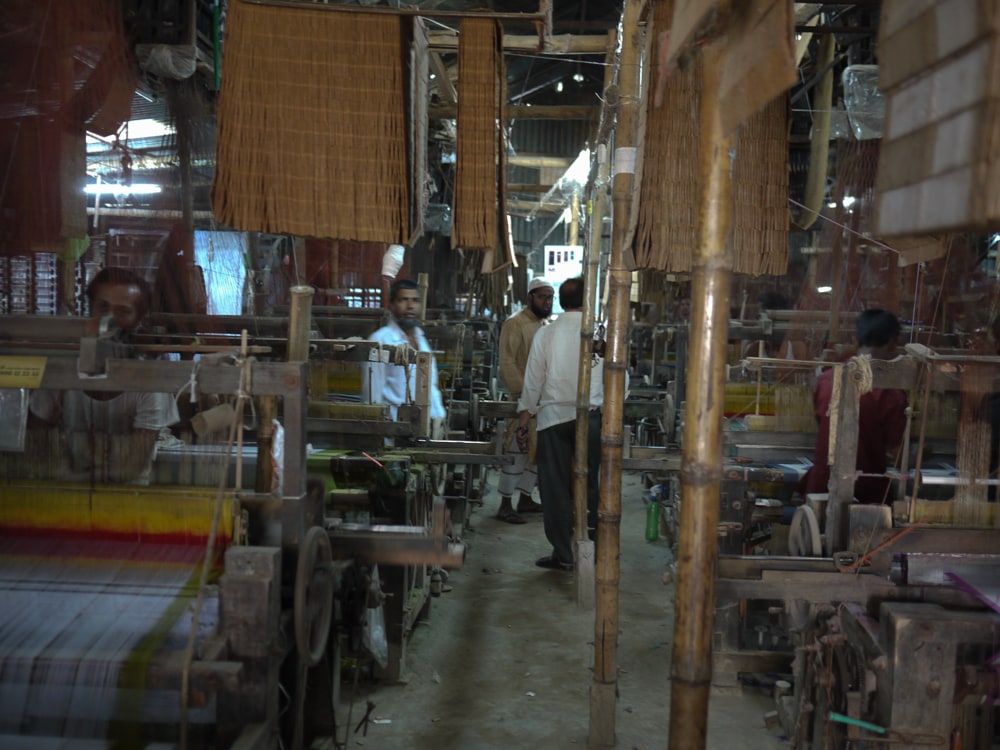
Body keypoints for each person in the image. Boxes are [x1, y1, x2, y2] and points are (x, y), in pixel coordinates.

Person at [29, 267, 180, 485]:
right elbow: (35, 440)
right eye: (103, 307)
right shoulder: (63, 371)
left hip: (128, 501)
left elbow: (132, 468)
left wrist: (67, 479)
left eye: (123, 311)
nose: (108, 321)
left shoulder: (148, 381)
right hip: (63, 497)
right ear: (89, 310)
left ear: (139, 320)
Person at [515, 277, 604, 571]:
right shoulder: (598, 335)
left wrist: (524, 416)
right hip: (591, 417)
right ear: (587, 301)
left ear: (561, 302)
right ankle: (593, 547)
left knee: (554, 487)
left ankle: (564, 553)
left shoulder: (547, 334)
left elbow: (533, 380)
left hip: (553, 419)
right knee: (589, 482)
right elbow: (622, 382)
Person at [798, 308, 907, 504]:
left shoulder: (826, 380)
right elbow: (901, 457)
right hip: (865, 496)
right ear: (893, 342)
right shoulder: (888, 391)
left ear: (856, 339)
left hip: (821, 488)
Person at [494, 277, 554, 524]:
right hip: (523, 401)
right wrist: (523, 397)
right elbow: (507, 361)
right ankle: (505, 504)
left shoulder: (547, 324)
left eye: (550, 297)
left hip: (544, 402)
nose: (547, 302)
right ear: (530, 296)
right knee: (517, 451)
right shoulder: (515, 323)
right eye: (542, 297)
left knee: (537, 453)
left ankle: (526, 498)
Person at [362, 278, 446, 430]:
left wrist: (440, 418)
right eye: (403, 300)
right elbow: (372, 395)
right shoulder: (381, 341)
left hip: (427, 430)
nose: (410, 306)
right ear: (392, 305)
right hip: (395, 432)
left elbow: (431, 388)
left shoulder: (421, 339)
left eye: (415, 300)